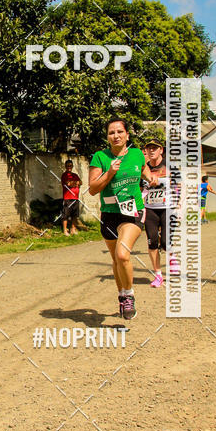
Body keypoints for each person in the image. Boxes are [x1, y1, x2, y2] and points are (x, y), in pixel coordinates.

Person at [89, 117, 159, 320]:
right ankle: (122, 296)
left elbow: (144, 169)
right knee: (116, 260)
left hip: (132, 212)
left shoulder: (137, 154)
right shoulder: (100, 157)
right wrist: (109, 173)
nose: (116, 135)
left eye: (120, 131)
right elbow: (93, 189)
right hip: (109, 214)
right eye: (111, 132)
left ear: (127, 135)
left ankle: (128, 295)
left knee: (122, 255)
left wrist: (150, 177)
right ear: (107, 137)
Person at [141, 134, 181, 288]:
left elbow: (180, 185)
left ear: (161, 150)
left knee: (165, 241)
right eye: (148, 148)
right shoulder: (144, 168)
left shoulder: (169, 166)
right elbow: (140, 188)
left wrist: (180, 205)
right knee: (152, 242)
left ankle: (173, 257)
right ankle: (158, 275)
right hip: (150, 209)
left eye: (154, 148)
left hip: (168, 208)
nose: (151, 151)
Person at [60, 159, 87, 235]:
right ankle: (65, 230)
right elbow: (69, 184)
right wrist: (76, 183)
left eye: (70, 166)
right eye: (68, 166)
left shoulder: (75, 175)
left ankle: (73, 229)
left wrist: (74, 183)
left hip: (75, 198)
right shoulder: (64, 175)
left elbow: (80, 182)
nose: (69, 167)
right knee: (65, 215)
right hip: (67, 198)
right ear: (65, 166)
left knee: (75, 215)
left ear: (72, 166)